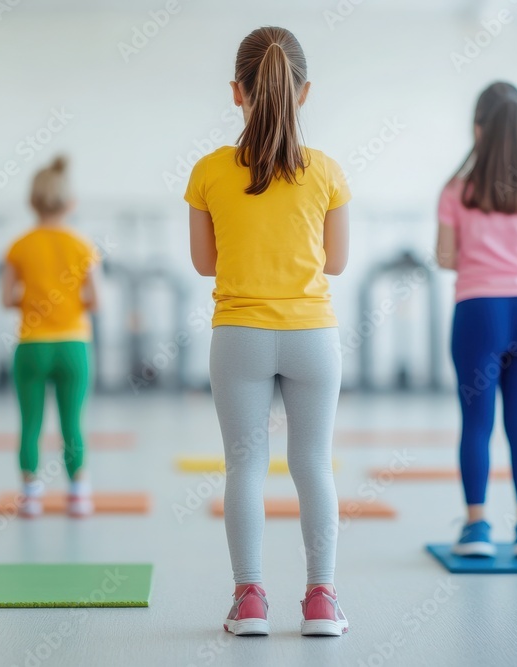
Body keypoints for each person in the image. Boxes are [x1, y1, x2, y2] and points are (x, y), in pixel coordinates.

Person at [186, 26, 351, 637]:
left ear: (237, 91)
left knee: (245, 467)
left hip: (240, 336)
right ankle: (322, 602)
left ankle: (250, 600)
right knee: (313, 464)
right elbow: (336, 263)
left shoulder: (208, 171)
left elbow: (206, 264)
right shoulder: (327, 171)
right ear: (303, 92)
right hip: (313, 337)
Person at [436, 82, 517, 558]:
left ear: (478, 129)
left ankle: (477, 529)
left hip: (478, 313)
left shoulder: (457, 189)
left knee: (476, 423)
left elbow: (445, 257)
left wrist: (479, 255)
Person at [2, 156, 100, 518]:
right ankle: (78, 493)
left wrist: (32, 301)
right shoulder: (82, 245)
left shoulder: (19, 246)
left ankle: (30, 495)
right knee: (72, 422)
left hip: (32, 346)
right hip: (73, 345)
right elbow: (97, 300)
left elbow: (5, 298)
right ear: (70, 203)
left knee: (30, 423)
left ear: (32, 202)